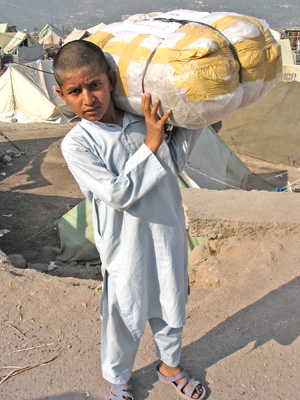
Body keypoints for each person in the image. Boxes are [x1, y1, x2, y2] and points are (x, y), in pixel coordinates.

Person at [53, 40, 206, 400]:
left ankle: (170, 366)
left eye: (94, 85)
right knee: (123, 317)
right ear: (62, 95)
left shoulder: (143, 121)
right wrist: (151, 144)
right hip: (124, 247)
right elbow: (119, 193)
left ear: (110, 79)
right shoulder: (78, 143)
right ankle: (120, 379)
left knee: (172, 305)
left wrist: (198, 110)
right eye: (75, 91)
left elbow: (174, 164)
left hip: (166, 232)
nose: (88, 98)